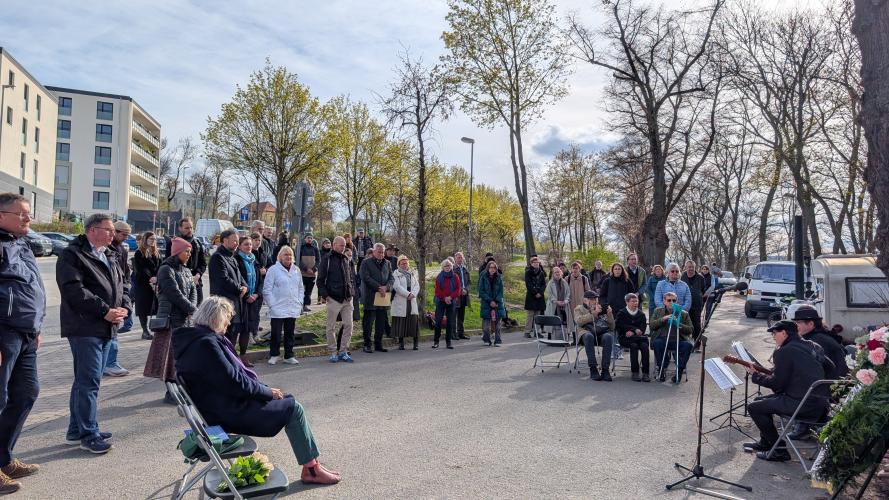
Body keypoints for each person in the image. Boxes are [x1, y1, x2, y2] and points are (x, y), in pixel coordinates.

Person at [172, 297, 341, 485]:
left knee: (288, 401)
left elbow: (232, 381)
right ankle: (312, 470)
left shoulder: (195, 340)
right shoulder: (206, 344)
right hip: (227, 412)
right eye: (227, 318)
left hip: (218, 407)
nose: (229, 323)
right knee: (294, 408)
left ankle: (313, 465)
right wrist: (267, 392)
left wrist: (266, 390)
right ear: (216, 318)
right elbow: (236, 383)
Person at [57, 213, 130, 454]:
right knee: (88, 382)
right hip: (84, 326)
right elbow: (74, 291)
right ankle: (89, 434)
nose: (112, 234)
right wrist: (104, 310)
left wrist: (124, 308)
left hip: (107, 326)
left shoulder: (109, 254)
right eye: (108, 230)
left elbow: (123, 285)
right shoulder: (73, 255)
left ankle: (76, 430)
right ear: (91, 230)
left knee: (87, 382)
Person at [0, 194, 45, 493]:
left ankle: (3, 458)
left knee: (27, 393)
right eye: (22, 214)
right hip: (4, 332)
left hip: (26, 334)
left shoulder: (21, 243)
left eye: (29, 214)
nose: (28, 219)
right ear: (1, 215)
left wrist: (37, 326)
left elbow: (33, 288)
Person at [742, 320, 834, 462]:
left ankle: (779, 451)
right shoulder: (812, 345)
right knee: (759, 401)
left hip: (802, 405)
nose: (773, 337)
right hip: (821, 405)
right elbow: (830, 367)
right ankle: (766, 443)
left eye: (774, 333)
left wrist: (756, 376)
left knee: (754, 408)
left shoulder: (784, 351)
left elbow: (777, 384)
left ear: (784, 333)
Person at [143, 237, 197, 404]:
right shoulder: (166, 269)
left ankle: (182, 390)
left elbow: (193, 291)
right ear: (177, 252)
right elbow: (174, 294)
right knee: (169, 359)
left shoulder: (187, 270)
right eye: (186, 251)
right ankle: (171, 392)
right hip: (171, 320)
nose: (189, 254)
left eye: (190, 251)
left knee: (181, 358)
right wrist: (192, 309)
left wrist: (193, 307)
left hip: (185, 320)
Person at [208, 229, 248, 364]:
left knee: (233, 333)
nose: (237, 243)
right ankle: (222, 362)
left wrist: (244, 286)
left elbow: (239, 276)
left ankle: (230, 361)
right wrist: (239, 289)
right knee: (223, 335)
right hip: (223, 303)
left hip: (234, 302)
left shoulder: (231, 256)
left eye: (237, 241)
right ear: (225, 241)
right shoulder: (218, 257)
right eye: (234, 241)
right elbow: (222, 279)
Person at [262, 246, 304, 366]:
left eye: (290, 255)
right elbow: (267, 289)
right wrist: (272, 304)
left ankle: (289, 355)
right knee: (276, 333)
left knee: (290, 333)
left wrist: (300, 302)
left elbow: (301, 288)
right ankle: (274, 355)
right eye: (285, 254)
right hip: (277, 307)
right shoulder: (273, 270)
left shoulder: (296, 270)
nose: (288, 257)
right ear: (280, 256)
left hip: (292, 306)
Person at [102, 221, 133, 377]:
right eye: (124, 235)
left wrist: (126, 293)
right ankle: (109, 363)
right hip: (110, 298)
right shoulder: (108, 249)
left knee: (116, 330)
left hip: (120, 294)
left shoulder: (121, 249)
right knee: (112, 333)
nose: (126, 238)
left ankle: (107, 361)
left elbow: (125, 273)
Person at [792, 306, 848, 379]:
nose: (795, 326)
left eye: (798, 323)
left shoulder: (817, 340)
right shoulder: (820, 335)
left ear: (811, 324)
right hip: (830, 381)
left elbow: (813, 368)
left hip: (830, 384)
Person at [650, 292, 694, 383]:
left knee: (688, 345)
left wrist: (678, 324)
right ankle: (662, 369)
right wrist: (663, 319)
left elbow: (690, 329)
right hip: (662, 338)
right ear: (664, 301)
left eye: (674, 300)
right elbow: (652, 326)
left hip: (679, 339)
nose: (671, 302)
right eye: (669, 300)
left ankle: (679, 371)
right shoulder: (658, 311)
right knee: (657, 343)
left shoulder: (683, 313)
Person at [359, 243, 394, 353]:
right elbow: (365, 277)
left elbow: (391, 278)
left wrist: (387, 287)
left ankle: (378, 344)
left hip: (383, 298)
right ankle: (367, 345)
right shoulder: (366, 263)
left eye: (383, 252)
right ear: (373, 252)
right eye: (379, 252)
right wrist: (379, 287)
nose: (381, 254)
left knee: (380, 322)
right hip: (370, 297)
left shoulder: (387, 263)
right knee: (368, 323)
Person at [574, 291, 616, 381]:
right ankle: (593, 368)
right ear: (585, 300)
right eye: (592, 299)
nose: (595, 301)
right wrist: (593, 313)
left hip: (600, 333)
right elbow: (579, 321)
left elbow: (612, 327)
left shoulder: (600, 308)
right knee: (589, 336)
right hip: (585, 334)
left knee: (608, 337)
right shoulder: (579, 309)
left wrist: (609, 315)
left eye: (596, 299)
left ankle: (605, 369)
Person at [236, 236, 264, 363]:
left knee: (247, 329)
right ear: (240, 246)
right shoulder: (237, 259)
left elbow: (259, 280)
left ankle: (243, 356)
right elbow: (238, 280)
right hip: (241, 299)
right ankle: (232, 357)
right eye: (246, 244)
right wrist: (247, 296)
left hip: (254, 298)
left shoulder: (253, 259)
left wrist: (257, 294)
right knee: (236, 329)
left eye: (250, 245)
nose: (249, 247)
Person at [167, 218, 207, 305]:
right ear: (180, 228)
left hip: (196, 282)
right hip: (179, 284)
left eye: (191, 228)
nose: (190, 230)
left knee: (196, 312)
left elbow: (203, 263)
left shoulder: (197, 243)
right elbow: (168, 262)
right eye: (186, 228)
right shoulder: (173, 243)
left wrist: (197, 275)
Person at [132, 231, 162, 340]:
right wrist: (150, 278)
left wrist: (157, 277)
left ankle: (156, 328)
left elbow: (160, 266)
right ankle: (145, 331)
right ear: (145, 239)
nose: (153, 241)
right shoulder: (139, 252)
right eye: (151, 239)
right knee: (143, 309)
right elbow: (141, 269)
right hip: (143, 284)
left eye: (154, 239)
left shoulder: (156, 252)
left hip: (155, 284)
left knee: (155, 307)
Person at [615, 293, 650, 382]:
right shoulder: (622, 313)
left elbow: (643, 327)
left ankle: (646, 373)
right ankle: (635, 372)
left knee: (645, 347)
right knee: (633, 346)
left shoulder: (641, 314)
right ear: (627, 302)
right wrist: (631, 330)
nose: (635, 303)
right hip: (625, 338)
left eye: (637, 301)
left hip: (639, 337)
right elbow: (619, 325)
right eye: (633, 301)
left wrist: (637, 331)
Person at [391, 255, 420, 350]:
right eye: (402, 263)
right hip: (401, 299)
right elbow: (397, 287)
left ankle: (415, 343)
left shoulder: (412, 273)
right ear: (398, 264)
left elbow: (417, 285)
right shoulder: (395, 274)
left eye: (406, 263)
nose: (404, 265)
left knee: (413, 321)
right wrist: (407, 294)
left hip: (411, 299)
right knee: (401, 322)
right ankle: (401, 343)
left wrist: (413, 294)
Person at [432, 259, 461, 349]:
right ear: (443, 267)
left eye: (449, 266)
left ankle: (448, 342)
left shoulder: (455, 276)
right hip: (441, 301)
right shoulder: (439, 277)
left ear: (451, 267)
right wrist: (445, 298)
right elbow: (437, 291)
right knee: (438, 321)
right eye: (445, 266)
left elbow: (458, 289)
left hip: (451, 301)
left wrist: (450, 297)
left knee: (449, 322)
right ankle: (436, 341)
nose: (447, 268)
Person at [478, 259, 506, 347]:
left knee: (497, 325)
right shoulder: (483, 276)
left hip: (497, 303)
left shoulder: (499, 277)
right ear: (488, 268)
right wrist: (490, 301)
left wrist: (496, 301)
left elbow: (501, 291)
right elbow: (481, 291)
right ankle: (486, 339)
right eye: (491, 267)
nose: (492, 269)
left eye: (494, 268)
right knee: (486, 326)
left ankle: (498, 340)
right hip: (486, 303)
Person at [680, 260, 708, 345]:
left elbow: (703, 290)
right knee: (685, 324)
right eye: (689, 267)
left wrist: (699, 297)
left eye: (692, 267)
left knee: (696, 324)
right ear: (685, 267)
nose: (690, 269)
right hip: (685, 304)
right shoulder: (682, 276)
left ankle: (697, 343)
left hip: (696, 304)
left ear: (695, 268)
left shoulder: (700, 277)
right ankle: (686, 342)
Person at [523, 255, 547, 338]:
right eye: (535, 262)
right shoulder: (528, 272)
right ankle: (527, 331)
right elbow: (528, 284)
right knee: (530, 315)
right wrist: (535, 292)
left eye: (537, 262)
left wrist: (540, 292)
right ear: (531, 263)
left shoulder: (541, 272)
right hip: (531, 296)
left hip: (540, 296)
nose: (537, 264)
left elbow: (544, 284)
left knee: (538, 315)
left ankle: (537, 331)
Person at [299, 233, 320, 313]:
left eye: (311, 238)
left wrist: (314, 269)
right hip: (302, 273)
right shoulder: (301, 248)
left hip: (312, 274)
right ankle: (300, 305)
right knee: (301, 290)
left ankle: (306, 305)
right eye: (308, 238)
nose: (309, 239)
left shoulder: (315, 249)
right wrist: (305, 268)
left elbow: (318, 260)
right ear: (305, 239)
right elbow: (298, 260)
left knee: (309, 291)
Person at [453, 252, 471, 340]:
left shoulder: (465, 269)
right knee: (454, 315)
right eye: (458, 257)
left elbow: (469, 282)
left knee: (461, 315)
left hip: (464, 295)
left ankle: (461, 333)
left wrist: (466, 290)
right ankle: (454, 333)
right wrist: (460, 290)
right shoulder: (453, 269)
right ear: (455, 259)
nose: (460, 259)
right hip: (456, 295)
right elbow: (452, 283)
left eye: (461, 257)